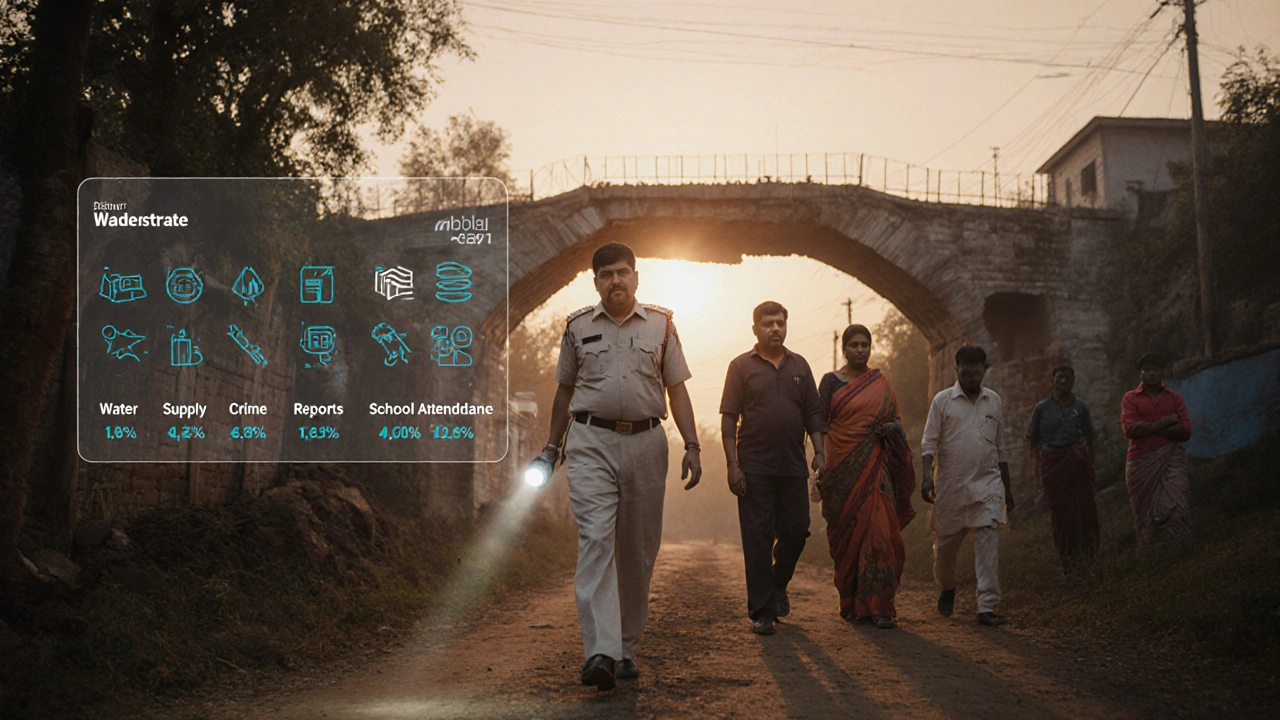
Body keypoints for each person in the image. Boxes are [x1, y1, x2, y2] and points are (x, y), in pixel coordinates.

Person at [532, 242, 703, 691]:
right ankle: (600, 652)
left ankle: (627, 648)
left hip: (647, 442)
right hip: (590, 442)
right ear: (596, 282)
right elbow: (564, 393)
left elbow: (678, 391)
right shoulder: (577, 327)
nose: (615, 281)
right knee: (595, 540)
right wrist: (551, 448)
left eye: (623, 272)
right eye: (606, 274)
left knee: (638, 550)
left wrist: (692, 444)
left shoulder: (662, 326)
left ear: (636, 277)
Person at [720, 301, 824, 636]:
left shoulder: (801, 366)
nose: (775, 328)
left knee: (797, 530)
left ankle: (778, 583)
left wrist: (819, 452)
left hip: (793, 466)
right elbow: (728, 419)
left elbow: (813, 414)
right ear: (755, 329)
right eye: (768, 324)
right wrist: (732, 465)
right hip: (754, 467)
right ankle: (762, 612)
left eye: (780, 323)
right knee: (757, 539)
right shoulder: (740, 367)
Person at [815, 324, 916, 629]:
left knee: (880, 533)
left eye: (865, 345)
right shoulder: (830, 383)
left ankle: (880, 606)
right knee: (846, 539)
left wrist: (891, 429)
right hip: (839, 471)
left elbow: (895, 420)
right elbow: (819, 422)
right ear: (844, 348)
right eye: (854, 345)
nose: (860, 350)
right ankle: (852, 601)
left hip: (874, 468)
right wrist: (819, 458)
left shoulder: (881, 383)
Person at [920, 345, 1015, 627]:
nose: (972, 371)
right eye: (966, 365)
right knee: (945, 547)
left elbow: (1002, 448)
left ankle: (986, 606)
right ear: (956, 367)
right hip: (951, 486)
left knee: (988, 538)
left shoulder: (994, 401)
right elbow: (929, 443)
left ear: (984, 369)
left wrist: (1007, 491)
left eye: (977, 366)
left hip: (988, 484)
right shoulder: (943, 401)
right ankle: (947, 588)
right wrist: (927, 477)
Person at [1026, 365, 1100, 573]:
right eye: (1059, 377)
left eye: (1068, 378)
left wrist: (1090, 463)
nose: (1063, 381)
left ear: (1073, 381)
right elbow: (1032, 443)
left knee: (1082, 509)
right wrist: (1035, 475)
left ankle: (1087, 555)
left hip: (1076, 463)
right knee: (1060, 513)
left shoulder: (1081, 408)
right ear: (1052, 380)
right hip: (1052, 464)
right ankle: (1066, 558)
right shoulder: (1041, 408)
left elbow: (1090, 437)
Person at [1120, 353, 1192, 550]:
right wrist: (1167, 422)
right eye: (1147, 369)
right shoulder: (1130, 398)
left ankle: (1180, 551)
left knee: (1178, 503)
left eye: (1156, 369)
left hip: (1172, 459)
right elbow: (1130, 430)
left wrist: (1149, 426)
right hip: (1140, 461)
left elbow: (1185, 431)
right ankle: (1153, 555)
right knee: (1146, 511)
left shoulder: (1175, 398)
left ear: (1162, 372)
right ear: (1140, 373)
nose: (1152, 373)